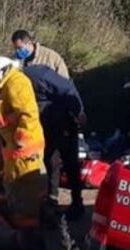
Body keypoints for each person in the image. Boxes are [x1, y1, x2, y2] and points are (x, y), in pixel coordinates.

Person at [0, 57, 47, 250]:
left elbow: (29, 115)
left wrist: (22, 140)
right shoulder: (5, 86)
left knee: (25, 197)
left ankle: (31, 244)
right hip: (13, 148)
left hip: (24, 151)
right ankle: (24, 237)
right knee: (14, 190)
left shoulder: (17, 83)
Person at [22, 63, 86, 219]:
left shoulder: (39, 74)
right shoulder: (18, 82)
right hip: (45, 125)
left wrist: (80, 113)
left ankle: (77, 203)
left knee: (69, 162)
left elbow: (68, 90)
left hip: (63, 122)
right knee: (50, 162)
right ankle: (52, 200)